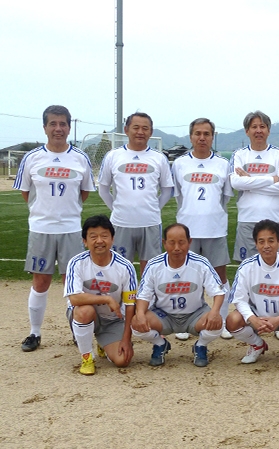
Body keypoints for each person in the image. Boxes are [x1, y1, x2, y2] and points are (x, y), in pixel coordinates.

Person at [14, 105, 95, 352]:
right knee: (40, 282)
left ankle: (77, 330)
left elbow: (84, 192)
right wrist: (44, 213)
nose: (58, 129)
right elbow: (26, 192)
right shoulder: (32, 158)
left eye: (62, 124)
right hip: (41, 229)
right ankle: (34, 332)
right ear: (45, 127)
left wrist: (66, 212)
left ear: (69, 128)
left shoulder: (80, 158)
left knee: (72, 283)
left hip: (70, 229)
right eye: (53, 124)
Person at [171, 118, 233, 340]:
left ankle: (221, 321)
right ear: (191, 137)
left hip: (215, 229)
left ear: (212, 137)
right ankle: (185, 321)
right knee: (186, 277)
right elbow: (178, 196)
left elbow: (225, 197)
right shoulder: (179, 164)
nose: (202, 138)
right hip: (187, 232)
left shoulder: (223, 164)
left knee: (220, 277)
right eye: (197, 133)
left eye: (206, 134)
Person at [131, 223, 225, 367]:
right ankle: (160, 343)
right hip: (163, 315)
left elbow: (218, 292)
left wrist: (214, 312)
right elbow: (144, 295)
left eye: (181, 242)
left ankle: (200, 345)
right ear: (164, 243)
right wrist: (140, 314)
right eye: (172, 242)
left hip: (195, 314)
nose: (177, 248)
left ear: (189, 242)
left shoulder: (201, 263)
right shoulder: (154, 265)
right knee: (136, 323)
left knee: (218, 323)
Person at [98, 112, 173, 276]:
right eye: (136, 127)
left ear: (151, 132)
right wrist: (117, 209)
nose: (140, 132)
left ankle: (147, 294)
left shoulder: (159, 158)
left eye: (145, 128)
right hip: (121, 223)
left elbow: (167, 190)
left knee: (151, 271)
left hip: (150, 223)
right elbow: (103, 189)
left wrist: (154, 208)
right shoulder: (113, 156)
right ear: (126, 130)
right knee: (120, 271)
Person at [64, 215, 138, 375]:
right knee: (85, 311)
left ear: (112, 239)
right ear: (85, 241)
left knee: (123, 361)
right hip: (84, 315)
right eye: (93, 236)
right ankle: (87, 358)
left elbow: (130, 305)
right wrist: (106, 298)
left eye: (104, 236)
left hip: (113, 320)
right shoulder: (76, 263)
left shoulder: (125, 267)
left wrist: (127, 339)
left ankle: (102, 343)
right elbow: (74, 298)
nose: (99, 241)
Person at [226, 220, 279, 366]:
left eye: (271, 240)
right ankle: (257, 344)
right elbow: (239, 299)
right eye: (261, 241)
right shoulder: (246, 266)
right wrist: (253, 319)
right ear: (256, 244)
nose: (266, 246)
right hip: (257, 317)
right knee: (232, 320)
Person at [229, 110, 279, 262]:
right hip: (247, 219)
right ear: (247, 131)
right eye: (254, 127)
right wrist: (271, 179)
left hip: (275, 219)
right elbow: (236, 183)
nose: (258, 130)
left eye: (262, 126)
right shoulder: (239, 154)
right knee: (247, 268)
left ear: (268, 131)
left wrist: (249, 181)